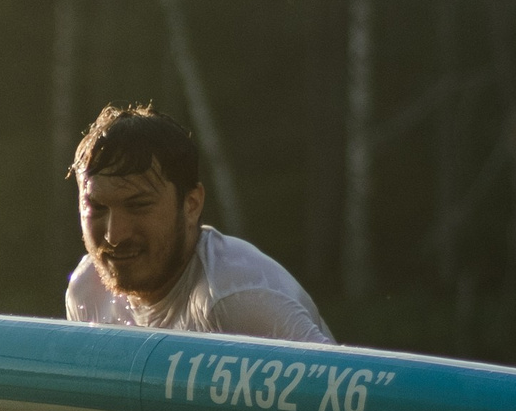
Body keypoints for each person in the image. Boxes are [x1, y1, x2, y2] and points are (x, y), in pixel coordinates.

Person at [63, 104, 334, 344]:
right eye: (97, 207)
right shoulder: (87, 292)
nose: (114, 235)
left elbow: (343, 394)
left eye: (138, 206)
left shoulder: (237, 298)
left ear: (191, 204)